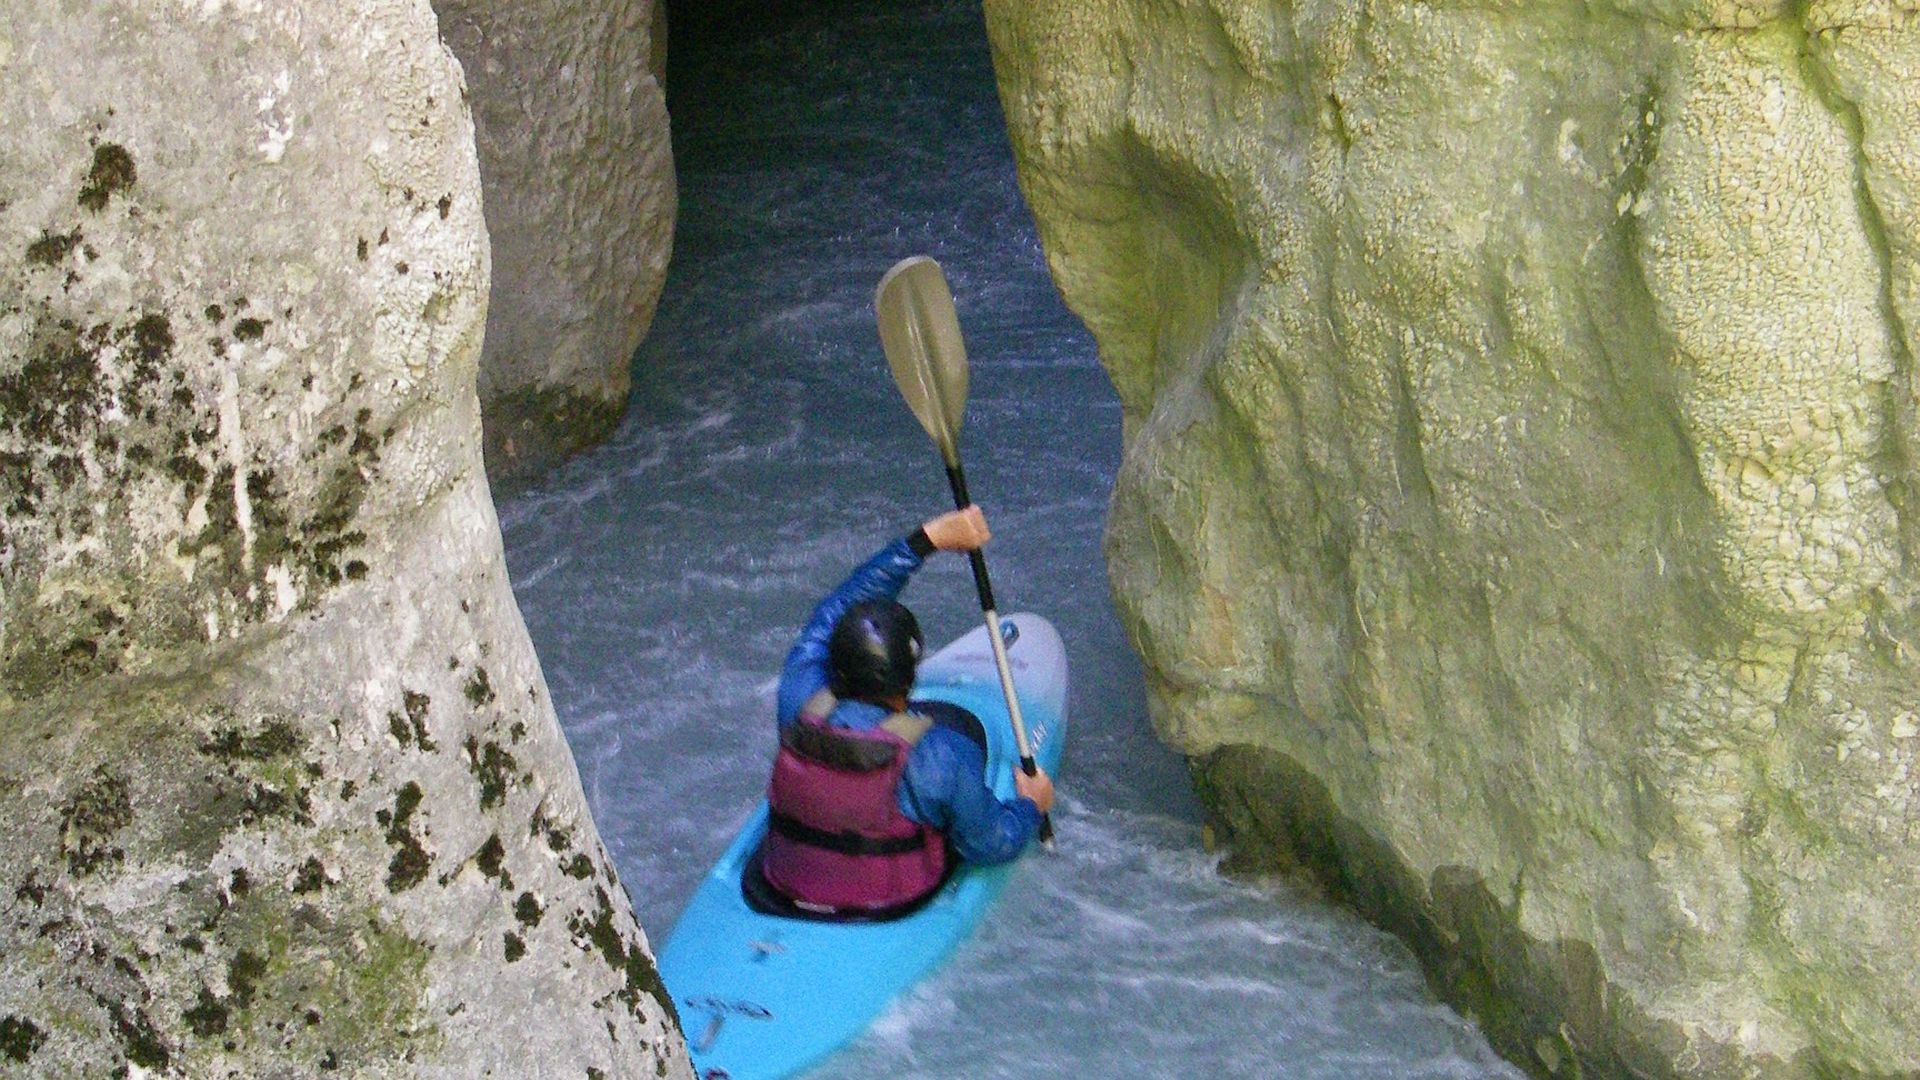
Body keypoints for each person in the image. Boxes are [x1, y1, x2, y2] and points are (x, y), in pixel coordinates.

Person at [751, 506, 1054, 919]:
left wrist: (924, 541)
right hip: (886, 904)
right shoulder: (939, 755)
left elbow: (835, 609)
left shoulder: (797, 698)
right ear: (908, 679)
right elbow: (991, 844)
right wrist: (1030, 806)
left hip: (782, 888)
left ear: (835, 663)